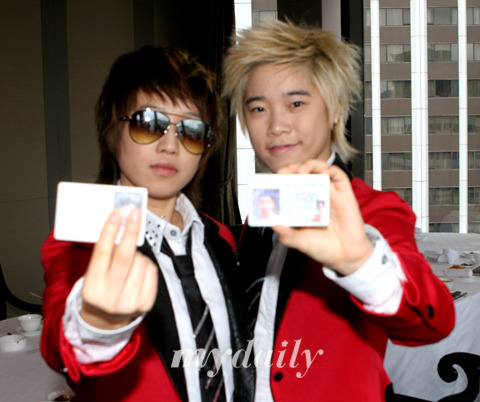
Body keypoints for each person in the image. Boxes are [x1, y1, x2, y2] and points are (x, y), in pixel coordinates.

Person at [222, 19, 455, 401]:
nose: (277, 125)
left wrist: (360, 262)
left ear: (335, 109)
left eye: (296, 103)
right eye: (258, 108)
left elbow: (432, 322)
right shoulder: (261, 215)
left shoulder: (374, 210)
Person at [41, 46, 254, 401]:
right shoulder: (83, 235)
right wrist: (97, 324)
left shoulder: (219, 237)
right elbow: (61, 345)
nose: (170, 145)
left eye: (191, 130)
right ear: (113, 130)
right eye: (149, 123)